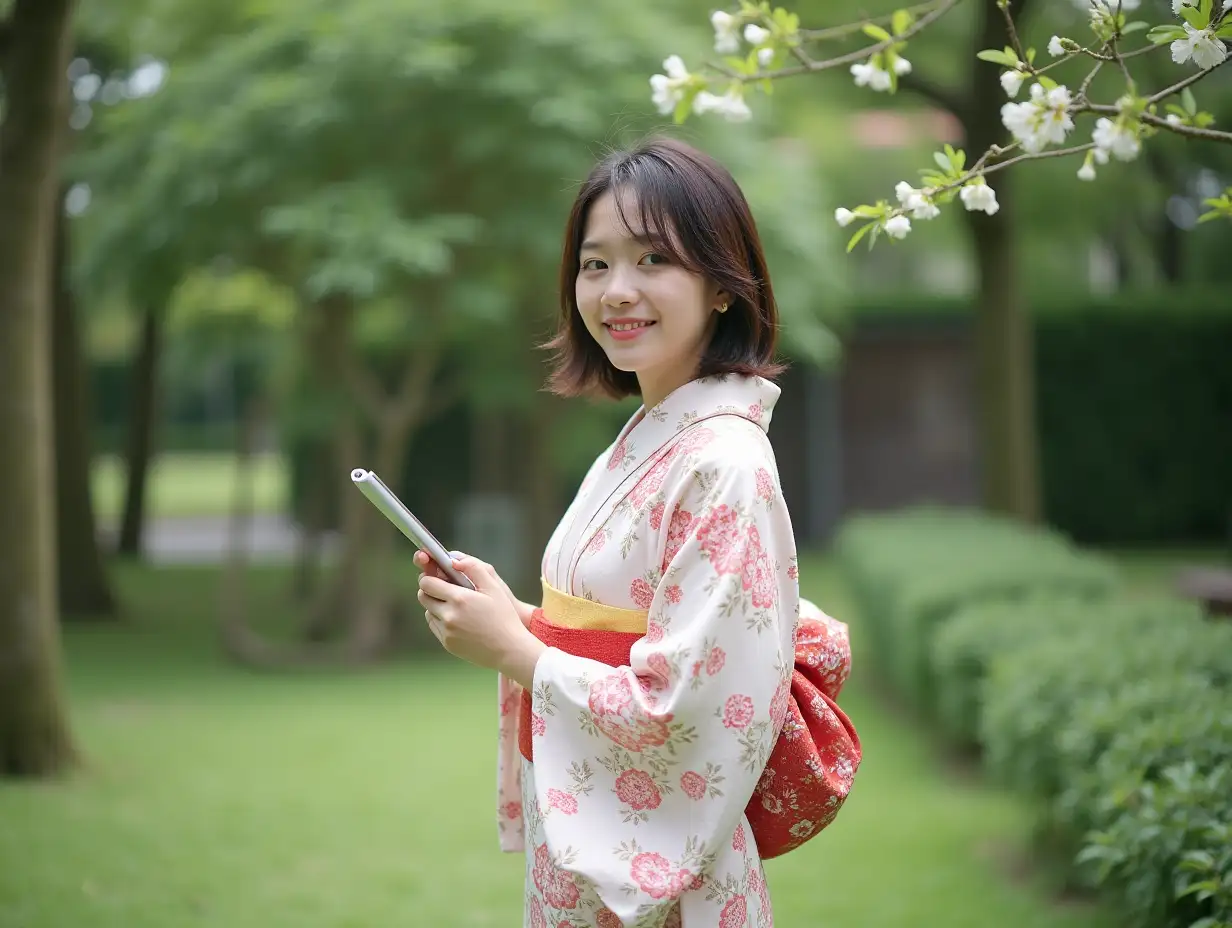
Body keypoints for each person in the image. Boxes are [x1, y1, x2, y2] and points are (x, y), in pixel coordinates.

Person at [415, 136, 861, 928]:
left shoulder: (724, 461)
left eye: (654, 260)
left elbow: (695, 705)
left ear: (724, 286)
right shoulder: (649, 436)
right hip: (584, 851)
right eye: (596, 265)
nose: (618, 290)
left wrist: (517, 652)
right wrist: (516, 618)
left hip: (661, 881)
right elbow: (621, 628)